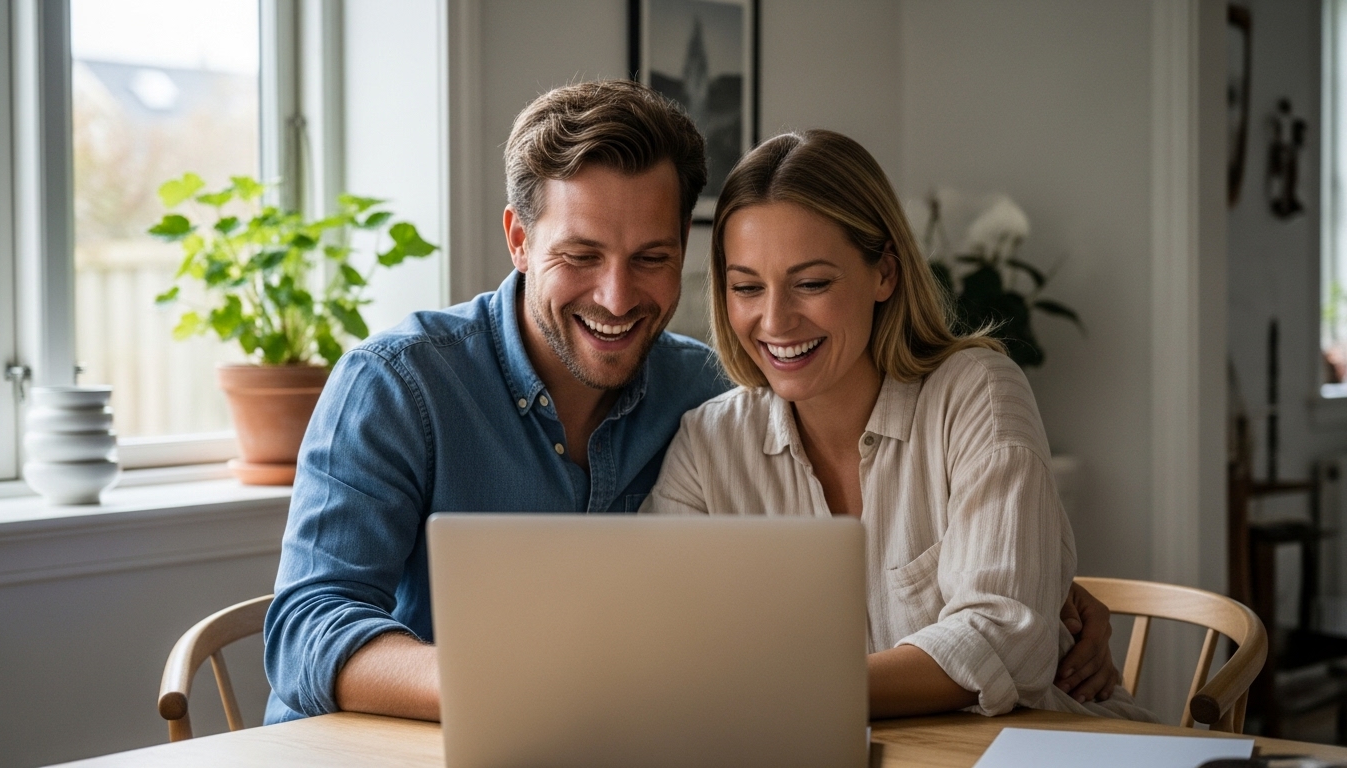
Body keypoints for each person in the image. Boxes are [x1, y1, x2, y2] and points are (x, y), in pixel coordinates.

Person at [263, 81, 1121, 725]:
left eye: (652, 256)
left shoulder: (706, 391)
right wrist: (503, 689)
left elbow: (693, 622)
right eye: (582, 254)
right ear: (519, 241)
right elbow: (304, 626)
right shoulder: (399, 382)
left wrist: (1042, 591)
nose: (616, 294)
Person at [641, 129, 1154, 721]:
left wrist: (784, 693)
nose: (774, 320)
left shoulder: (977, 393)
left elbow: (1003, 640)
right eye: (747, 287)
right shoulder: (708, 445)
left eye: (811, 283)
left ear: (884, 272)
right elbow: (662, 644)